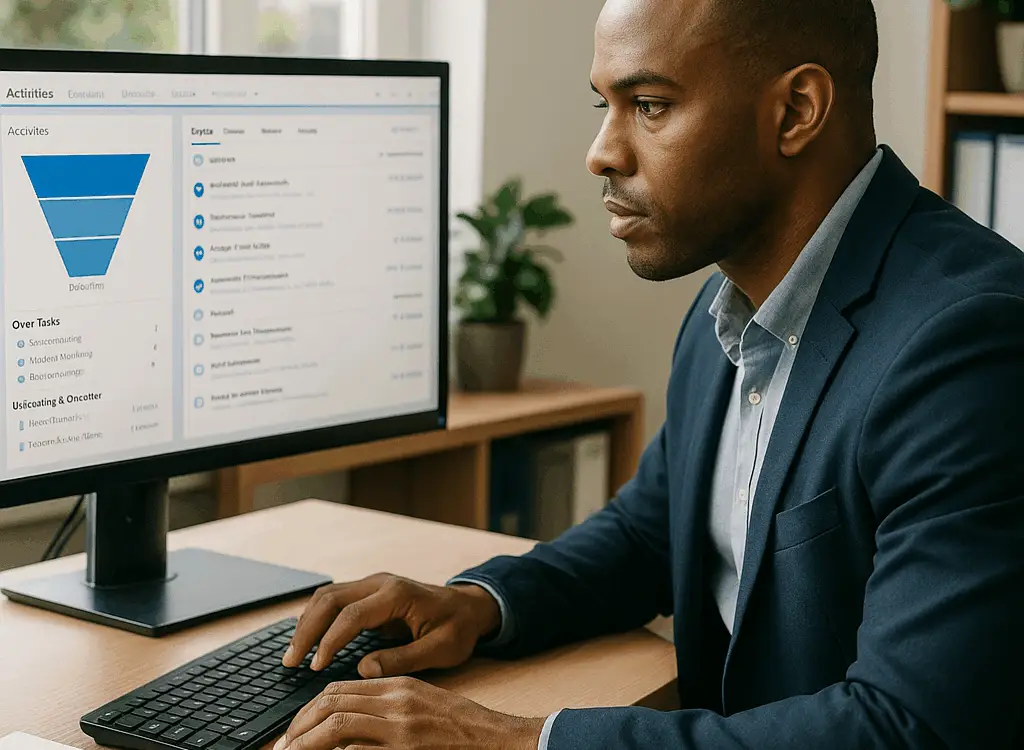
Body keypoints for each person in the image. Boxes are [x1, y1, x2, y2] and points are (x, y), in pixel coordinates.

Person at [272, 0, 1024, 747]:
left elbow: (908, 728)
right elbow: (652, 533)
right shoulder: (726, 307)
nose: (602, 152)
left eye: (651, 105)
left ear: (796, 110)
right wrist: (478, 603)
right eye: (606, 104)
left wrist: (516, 741)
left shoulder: (967, 343)